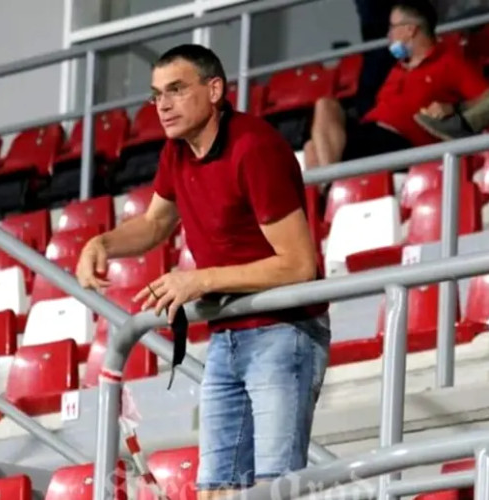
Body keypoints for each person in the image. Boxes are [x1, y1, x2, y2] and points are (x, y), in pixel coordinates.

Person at [75, 44, 330, 498]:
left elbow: (299, 264)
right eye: (156, 95)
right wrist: (102, 243)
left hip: (283, 330)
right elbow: (156, 223)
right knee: (215, 490)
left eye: (175, 90)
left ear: (214, 90)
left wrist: (201, 279)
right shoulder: (176, 150)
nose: (163, 105)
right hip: (227, 332)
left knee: (275, 489)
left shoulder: (254, 148)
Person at [304, 0, 489, 169]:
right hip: (369, 136)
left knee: (316, 148)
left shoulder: (449, 62)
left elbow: (485, 98)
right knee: (323, 112)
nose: (388, 35)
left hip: (400, 143)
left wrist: (455, 108)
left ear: (410, 30)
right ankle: (330, 184)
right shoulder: (396, 68)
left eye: (392, 27)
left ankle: (330, 184)